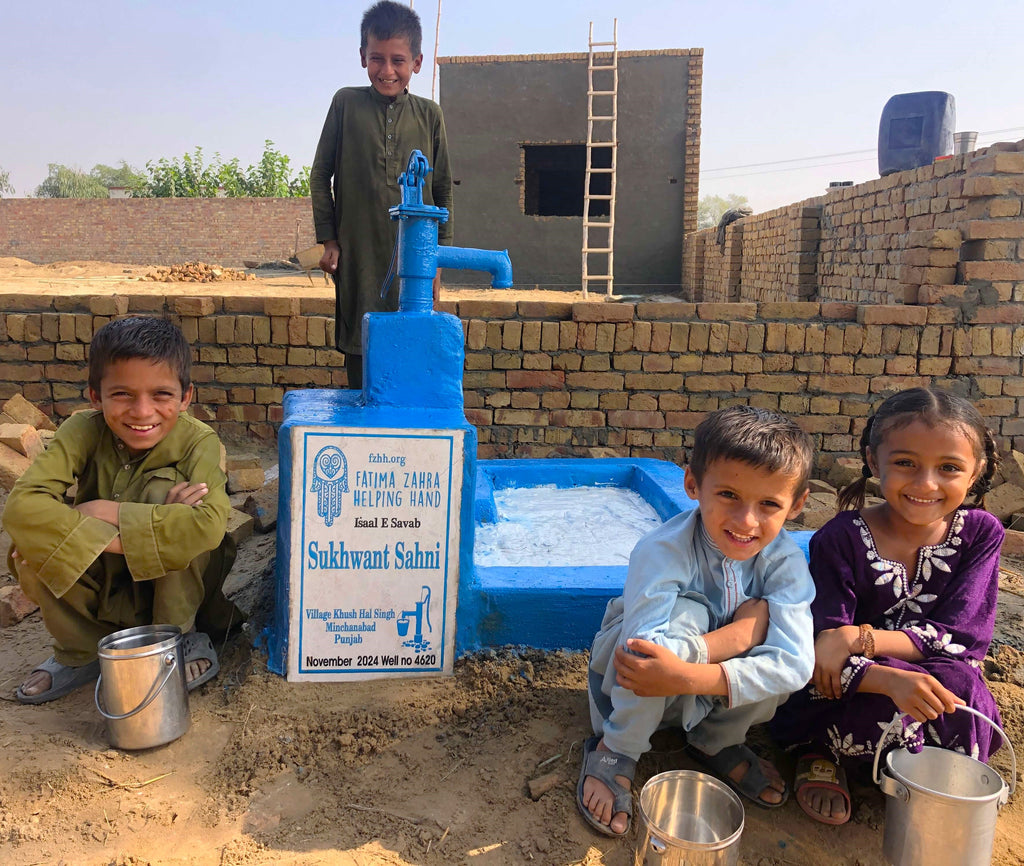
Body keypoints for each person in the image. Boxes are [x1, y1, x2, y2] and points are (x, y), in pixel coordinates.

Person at [579, 405, 816, 837]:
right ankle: (617, 748)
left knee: (775, 658)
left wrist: (688, 674)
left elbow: (796, 665)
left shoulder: (785, 564)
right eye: (728, 495)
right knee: (690, 614)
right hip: (632, 692)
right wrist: (737, 636)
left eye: (769, 504)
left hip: (689, 688)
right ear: (693, 485)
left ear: (797, 505)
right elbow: (643, 658)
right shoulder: (663, 550)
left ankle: (715, 741)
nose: (746, 521)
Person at [770, 387, 1003, 826]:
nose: (925, 484)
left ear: (975, 472)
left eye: (949, 468)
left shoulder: (981, 534)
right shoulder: (841, 538)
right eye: (905, 463)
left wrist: (864, 637)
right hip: (851, 685)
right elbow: (822, 649)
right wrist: (888, 679)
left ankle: (935, 778)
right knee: (814, 678)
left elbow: (963, 639)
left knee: (959, 683)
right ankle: (822, 754)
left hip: (933, 674)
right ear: (874, 461)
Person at [5, 316, 243, 704]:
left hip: (171, 587)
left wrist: (103, 511)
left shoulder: (198, 442)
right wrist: (144, 530)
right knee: (27, 549)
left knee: (180, 521)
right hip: (106, 579)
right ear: (96, 396)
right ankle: (82, 652)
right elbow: (22, 508)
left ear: (185, 398)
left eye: (161, 395)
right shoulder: (82, 430)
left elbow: (207, 526)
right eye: (123, 395)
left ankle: (178, 639)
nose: (142, 412)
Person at [310, 0, 453, 390]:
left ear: (417, 63)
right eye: (377, 59)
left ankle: (400, 443)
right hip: (357, 253)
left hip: (412, 257)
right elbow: (321, 175)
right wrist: (329, 240)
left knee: (410, 343)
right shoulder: (345, 104)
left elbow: (441, 189)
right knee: (361, 345)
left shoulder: (430, 116)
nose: (386, 70)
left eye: (398, 61)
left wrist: (436, 259)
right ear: (362, 57)